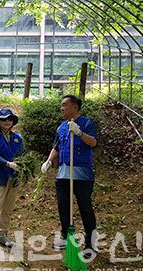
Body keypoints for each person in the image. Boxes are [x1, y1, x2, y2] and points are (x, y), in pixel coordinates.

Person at [41, 95, 98, 259]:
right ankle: (65, 235)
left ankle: (90, 243)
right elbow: (56, 147)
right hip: (64, 173)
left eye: (64, 105)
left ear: (75, 107)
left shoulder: (87, 123)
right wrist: (49, 161)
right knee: (63, 205)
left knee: (85, 208)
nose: (61, 108)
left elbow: (93, 142)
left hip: (82, 174)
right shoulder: (61, 127)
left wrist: (80, 133)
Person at [0, 109, 24, 253]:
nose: (6, 122)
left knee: (8, 208)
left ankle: (3, 235)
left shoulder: (17, 138)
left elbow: (22, 155)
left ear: (13, 121)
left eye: (9, 119)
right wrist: (8, 163)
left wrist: (21, 165)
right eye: (3, 119)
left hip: (13, 178)